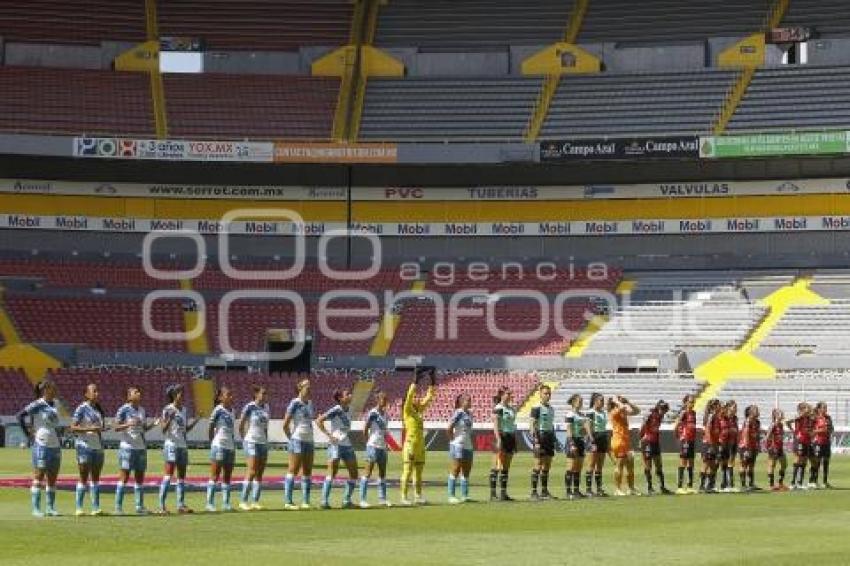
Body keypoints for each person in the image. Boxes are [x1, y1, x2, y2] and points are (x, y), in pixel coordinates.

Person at [18, 380, 62, 517]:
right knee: (39, 476)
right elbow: (19, 416)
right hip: (41, 444)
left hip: (55, 445)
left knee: (52, 478)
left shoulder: (56, 403)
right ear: (46, 390)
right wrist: (28, 434)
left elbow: (54, 423)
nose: (55, 390)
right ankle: (36, 509)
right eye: (53, 388)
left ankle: (50, 508)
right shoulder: (38, 404)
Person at [114, 386, 156, 515]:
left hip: (140, 448)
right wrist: (128, 424)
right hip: (127, 447)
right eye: (135, 392)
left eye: (139, 391)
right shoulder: (123, 409)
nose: (138, 393)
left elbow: (142, 429)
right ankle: (118, 507)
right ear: (128, 396)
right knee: (124, 477)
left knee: (140, 478)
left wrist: (153, 425)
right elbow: (116, 427)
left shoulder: (142, 410)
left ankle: (139, 506)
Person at [158, 384, 198, 514]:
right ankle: (161, 506)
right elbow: (163, 429)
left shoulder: (184, 410)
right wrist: (169, 418)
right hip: (172, 445)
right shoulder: (167, 409)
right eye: (180, 393)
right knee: (168, 475)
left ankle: (180, 505)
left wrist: (197, 420)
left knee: (181, 477)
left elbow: (185, 429)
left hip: (182, 446)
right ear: (174, 395)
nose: (182, 395)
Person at [316, 389, 359, 509]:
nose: (350, 396)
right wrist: (329, 435)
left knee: (354, 473)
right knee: (332, 473)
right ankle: (324, 501)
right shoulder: (336, 409)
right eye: (347, 394)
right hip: (336, 444)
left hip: (347, 444)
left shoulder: (350, 409)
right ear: (341, 398)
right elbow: (319, 420)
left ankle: (346, 501)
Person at [400, 367, 436, 506]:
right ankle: (403, 496)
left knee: (419, 472)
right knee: (408, 470)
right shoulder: (407, 411)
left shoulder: (419, 409)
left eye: (417, 396)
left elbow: (429, 396)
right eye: (415, 397)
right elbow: (409, 395)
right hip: (410, 444)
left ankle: (418, 496)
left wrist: (432, 379)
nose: (416, 397)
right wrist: (415, 380)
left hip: (420, 445)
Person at [70, 383, 106, 516]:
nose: (97, 393)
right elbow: (73, 427)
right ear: (86, 394)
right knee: (83, 477)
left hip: (97, 446)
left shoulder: (98, 410)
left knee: (96, 478)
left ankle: (95, 507)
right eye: (94, 391)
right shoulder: (81, 408)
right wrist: (90, 429)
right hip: (84, 445)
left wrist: (102, 429)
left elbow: (98, 429)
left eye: (97, 391)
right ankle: (79, 508)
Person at [282, 378, 315, 510]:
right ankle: (288, 501)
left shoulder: (310, 403)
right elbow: (285, 425)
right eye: (307, 386)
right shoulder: (294, 403)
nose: (309, 389)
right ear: (300, 388)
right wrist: (292, 438)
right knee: (293, 470)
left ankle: (305, 501)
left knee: (307, 471)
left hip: (309, 440)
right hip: (297, 439)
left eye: (310, 386)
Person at [238, 385, 270, 511]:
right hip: (251, 441)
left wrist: (266, 440)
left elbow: (266, 427)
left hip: (262, 443)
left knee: (259, 473)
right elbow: (241, 425)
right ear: (256, 394)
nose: (265, 396)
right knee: (251, 471)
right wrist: (244, 439)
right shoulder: (249, 406)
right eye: (263, 393)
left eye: (266, 393)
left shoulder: (267, 407)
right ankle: (243, 500)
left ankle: (255, 501)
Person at [206, 387, 236, 512]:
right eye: (228, 394)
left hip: (230, 447)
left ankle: (226, 503)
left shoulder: (232, 411)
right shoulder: (218, 410)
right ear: (220, 398)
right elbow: (211, 426)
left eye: (231, 394)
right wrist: (212, 441)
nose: (231, 397)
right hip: (219, 445)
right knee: (215, 475)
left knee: (227, 476)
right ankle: (209, 503)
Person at [360, 390, 391, 508]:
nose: (386, 401)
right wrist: (368, 442)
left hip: (382, 447)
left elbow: (384, 432)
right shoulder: (372, 413)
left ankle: (382, 499)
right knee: (367, 472)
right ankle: (363, 499)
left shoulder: (386, 415)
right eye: (383, 399)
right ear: (378, 400)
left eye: (386, 399)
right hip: (373, 445)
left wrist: (386, 444)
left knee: (382, 473)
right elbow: (365, 429)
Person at [609, 395, 640, 496]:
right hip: (619, 441)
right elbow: (622, 407)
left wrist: (628, 402)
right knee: (620, 465)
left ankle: (631, 488)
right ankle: (617, 489)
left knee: (630, 466)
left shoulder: (622, 411)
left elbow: (637, 411)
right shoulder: (614, 412)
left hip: (626, 441)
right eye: (619, 399)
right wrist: (617, 401)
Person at [529, 384, 557, 500]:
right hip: (540, 436)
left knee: (547, 465)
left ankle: (544, 491)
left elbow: (551, 425)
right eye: (545, 393)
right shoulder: (536, 408)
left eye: (549, 393)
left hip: (549, 437)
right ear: (540, 394)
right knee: (538, 464)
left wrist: (554, 438)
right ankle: (534, 492)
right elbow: (532, 425)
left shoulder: (551, 408)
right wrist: (535, 439)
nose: (548, 395)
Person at [564, 394, 593, 500]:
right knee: (571, 467)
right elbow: (569, 429)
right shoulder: (570, 414)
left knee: (578, 467)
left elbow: (584, 429)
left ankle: (576, 490)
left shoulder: (582, 415)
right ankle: (568, 492)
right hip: (573, 441)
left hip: (580, 441)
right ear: (573, 402)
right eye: (579, 401)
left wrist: (585, 432)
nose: (581, 403)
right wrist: (571, 443)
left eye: (582, 401)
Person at [447, 393, 474, 504]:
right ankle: (451, 495)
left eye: (470, 400)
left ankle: (464, 495)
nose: (470, 402)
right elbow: (449, 427)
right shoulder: (458, 413)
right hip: (458, 445)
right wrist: (452, 440)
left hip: (468, 445)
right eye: (468, 400)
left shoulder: (469, 413)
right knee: (456, 469)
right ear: (462, 402)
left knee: (466, 471)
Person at [491, 386, 517, 501]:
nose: (510, 396)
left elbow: (512, 425)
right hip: (501, 436)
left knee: (506, 467)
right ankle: (492, 494)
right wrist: (498, 439)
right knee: (497, 465)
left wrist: (514, 439)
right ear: (502, 395)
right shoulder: (498, 408)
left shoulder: (512, 409)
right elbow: (496, 425)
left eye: (510, 393)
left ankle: (503, 493)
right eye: (507, 393)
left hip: (510, 437)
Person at [640, 400, 670, 495]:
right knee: (648, 465)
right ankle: (649, 488)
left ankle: (662, 487)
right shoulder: (650, 414)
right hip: (647, 442)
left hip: (655, 442)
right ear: (658, 407)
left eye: (665, 409)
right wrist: (641, 438)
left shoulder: (660, 416)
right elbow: (642, 426)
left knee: (659, 464)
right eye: (662, 409)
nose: (663, 411)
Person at [584, 392, 609, 497]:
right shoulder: (590, 412)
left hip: (603, 438)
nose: (602, 402)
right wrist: (591, 440)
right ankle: (589, 490)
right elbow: (588, 426)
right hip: (594, 438)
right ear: (595, 401)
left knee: (599, 465)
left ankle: (599, 489)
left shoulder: (603, 413)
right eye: (601, 400)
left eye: (603, 400)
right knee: (591, 465)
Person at [674, 394, 698, 494]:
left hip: (692, 440)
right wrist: (679, 436)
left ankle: (690, 486)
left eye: (693, 402)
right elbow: (677, 425)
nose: (692, 404)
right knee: (683, 461)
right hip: (685, 439)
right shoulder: (684, 413)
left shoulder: (694, 413)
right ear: (686, 402)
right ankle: (679, 487)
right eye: (690, 402)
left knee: (691, 462)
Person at [786, 402, 813, 490]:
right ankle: (792, 483)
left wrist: (810, 434)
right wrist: (793, 430)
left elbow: (809, 429)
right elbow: (787, 421)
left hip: (807, 441)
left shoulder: (809, 418)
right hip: (799, 441)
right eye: (807, 408)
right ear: (802, 410)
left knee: (804, 461)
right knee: (798, 460)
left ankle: (800, 483)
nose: (809, 409)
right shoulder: (799, 417)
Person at [700, 399, 722, 494]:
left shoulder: (717, 417)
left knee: (713, 465)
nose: (720, 406)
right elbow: (708, 430)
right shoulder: (711, 416)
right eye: (718, 405)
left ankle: (710, 485)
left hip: (714, 443)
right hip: (709, 444)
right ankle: (702, 486)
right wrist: (711, 443)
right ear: (714, 406)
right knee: (706, 464)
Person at [737, 405, 761, 491]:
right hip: (745, 446)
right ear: (750, 412)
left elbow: (757, 434)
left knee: (751, 465)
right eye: (756, 410)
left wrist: (757, 445)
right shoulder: (748, 421)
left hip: (753, 446)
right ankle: (743, 485)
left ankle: (751, 484)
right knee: (744, 464)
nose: (758, 411)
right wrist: (747, 448)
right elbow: (745, 434)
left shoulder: (757, 422)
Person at [765, 408, 788, 491]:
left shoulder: (781, 425)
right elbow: (767, 437)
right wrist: (769, 447)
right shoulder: (773, 425)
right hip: (773, 448)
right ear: (775, 415)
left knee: (784, 464)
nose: (782, 415)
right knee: (772, 465)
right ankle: (771, 485)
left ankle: (780, 483)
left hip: (780, 448)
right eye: (780, 413)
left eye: (782, 413)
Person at [811, 402, 832, 489]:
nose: (825, 409)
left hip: (826, 442)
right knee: (817, 462)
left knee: (826, 462)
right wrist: (821, 430)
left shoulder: (828, 418)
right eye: (824, 408)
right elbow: (812, 430)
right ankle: (814, 481)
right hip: (818, 442)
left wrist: (829, 429)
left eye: (826, 408)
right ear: (819, 409)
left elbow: (831, 428)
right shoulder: (815, 418)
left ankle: (825, 482)